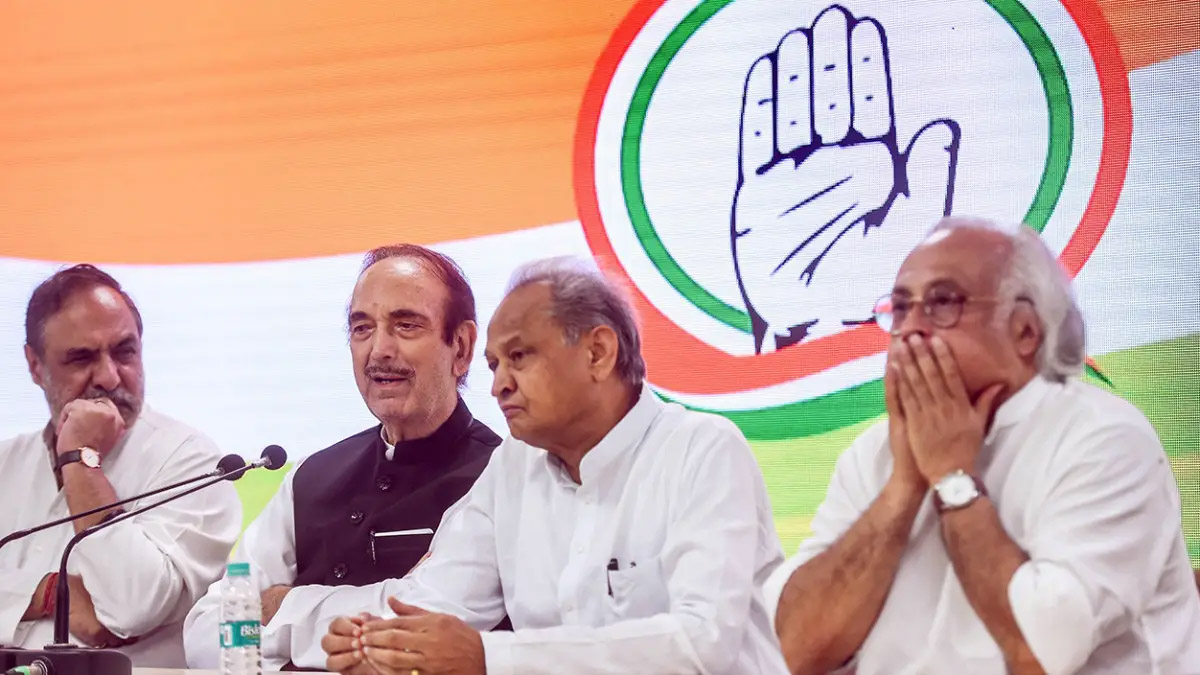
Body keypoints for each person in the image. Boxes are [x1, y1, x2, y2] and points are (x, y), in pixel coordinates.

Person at [297, 257, 790, 674]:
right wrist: (374, 640)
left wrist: (491, 658)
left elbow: (700, 645)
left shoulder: (702, 451)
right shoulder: (513, 467)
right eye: (494, 365)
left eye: (519, 357)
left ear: (598, 352)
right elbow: (438, 600)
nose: (499, 386)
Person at [766, 217, 1200, 674]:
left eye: (942, 303)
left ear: (1025, 330)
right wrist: (903, 488)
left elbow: (1039, 655)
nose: (910, 330)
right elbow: (791, 652)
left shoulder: (1103, 437)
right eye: (901, 308)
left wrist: (953, 479)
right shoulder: (875, 452)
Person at [184, 244, 503, 670]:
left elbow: (418, 631)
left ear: (461, 348)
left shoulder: (499, 476)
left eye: (406, 325)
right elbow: (206, 631)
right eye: (362, 328)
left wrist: (281, 606)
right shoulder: (309, 477)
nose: (379, 350)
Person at [0, 265, 241, 667]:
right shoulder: (5, 464)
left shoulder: (194, 463)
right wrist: (50, 593)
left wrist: (80, 458)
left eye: (125, 351)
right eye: (81, 358)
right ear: (35, 366)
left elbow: (132, 607)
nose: (110, 377)